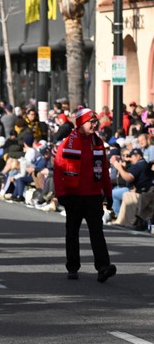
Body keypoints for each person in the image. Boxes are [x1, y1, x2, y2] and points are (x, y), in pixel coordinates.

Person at [53, 107, 116, 282]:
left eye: (96, 121)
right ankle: (73, 267)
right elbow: (58, 171)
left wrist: (108, 194)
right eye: (91, 121)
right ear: (81, 123)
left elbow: (104, 169)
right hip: (73, 196)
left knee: (97, 232)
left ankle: (103, 267)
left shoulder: (98, 143)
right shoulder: (67, 144)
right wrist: (61, 194)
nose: (95, 125)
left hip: (93, 195)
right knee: (72, 232)